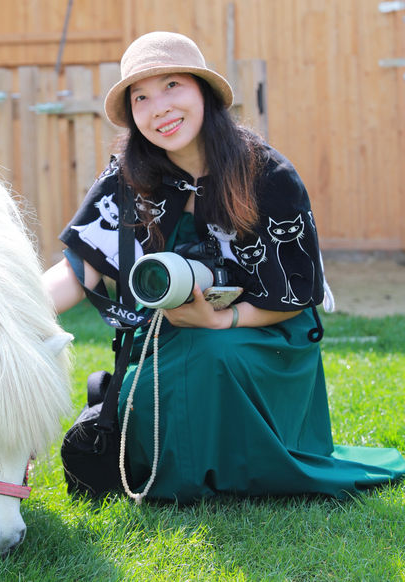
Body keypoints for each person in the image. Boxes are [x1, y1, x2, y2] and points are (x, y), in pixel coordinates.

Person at [43, 31, 405, 502]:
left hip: (267, 334)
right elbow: (78, 269)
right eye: (142, 97)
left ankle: (211, 470)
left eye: (173, 85)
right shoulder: (127, 178)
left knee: (212, 356)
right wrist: (10, 314)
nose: (160, 108)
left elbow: (294, 297)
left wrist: (222, 318)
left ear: (204, 92)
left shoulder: (267, 176)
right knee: (165, 371)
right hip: (172, 334)